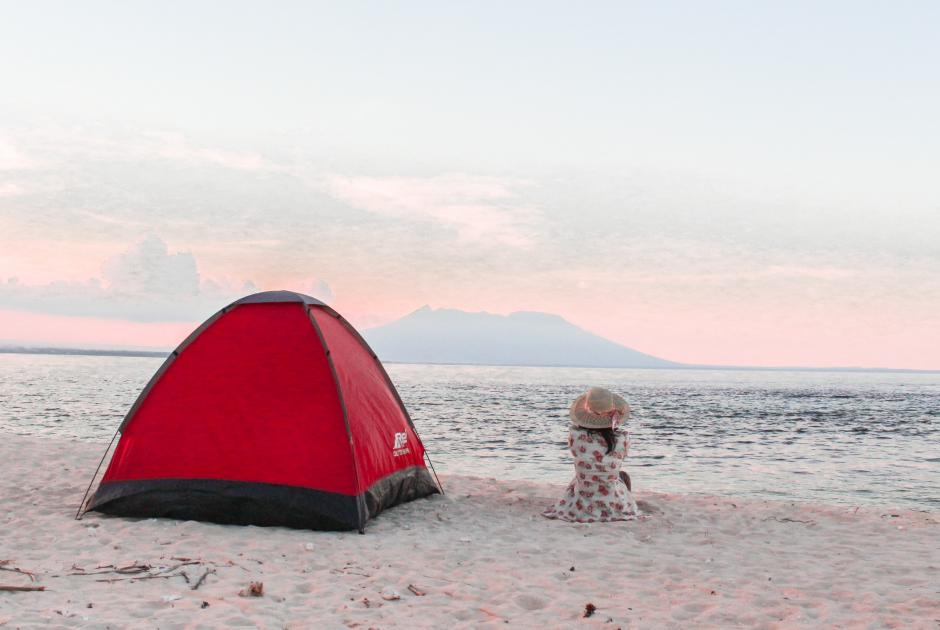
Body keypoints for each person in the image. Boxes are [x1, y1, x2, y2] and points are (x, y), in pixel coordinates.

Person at [542, 387, 639, 523]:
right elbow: (620, 457)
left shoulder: (576, 436)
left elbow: (577, 450)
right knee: (623, 475)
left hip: (581, 504)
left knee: (581, 476)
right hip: (612, 501)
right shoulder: (621, 439)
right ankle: (621, 503)